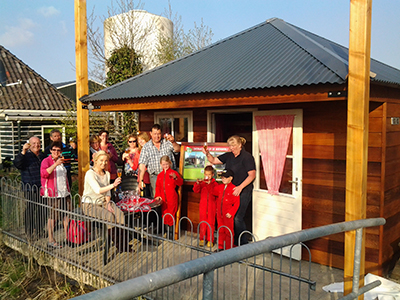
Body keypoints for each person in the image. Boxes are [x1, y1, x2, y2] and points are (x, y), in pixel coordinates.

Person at [203, 135, 256, 246]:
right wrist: (207, 153)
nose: (231, 148)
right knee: (229, 217)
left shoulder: (247, 157)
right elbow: (213, 160)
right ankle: (233, 242)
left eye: (234, 145)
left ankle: (244, 244)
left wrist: (240, 187)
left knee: (237, 218)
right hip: (231, 190)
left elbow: (252, 175)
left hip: (243, 190)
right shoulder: (229, 156)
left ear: (240, 145)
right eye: (230, 146)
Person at [81, 150, 133, 253]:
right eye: (101, 160)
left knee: (119, 214)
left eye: (105, 161)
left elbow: (108, 193)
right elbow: (98, 190)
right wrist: (113, 185)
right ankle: (119, 245)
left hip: (103, 202)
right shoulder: (90, 174)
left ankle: (124, 244)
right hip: (90, 203)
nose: (103, 163)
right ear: (95, 161)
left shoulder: (107, 174)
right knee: (109, 217)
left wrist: (108, 203)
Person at [13, 136, 47, 239]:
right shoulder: (26, 156)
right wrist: (23, 151)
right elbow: (17, 164)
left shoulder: (42, 156)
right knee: (31, 209)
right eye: (34, 143)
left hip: (42, 187)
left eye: (38, 143)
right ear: (29, 144)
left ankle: (40, 230)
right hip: (30, 187)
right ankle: (29, 231)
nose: (36, 145)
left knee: (42, 209)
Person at [40, 141, 71, 249]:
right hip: (53, 194)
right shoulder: (46, 161)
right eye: (54, 150)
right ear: (50, 151)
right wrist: (55, 164)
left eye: (58, 150)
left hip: (64, 192)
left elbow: (64, 177)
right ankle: (51, 239)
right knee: (53, 217)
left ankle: (68, 238)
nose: (56, 152)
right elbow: (44, 174)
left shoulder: (61, 161)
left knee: (66, 215)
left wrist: (68, 190)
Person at [138, 124, 180, 197]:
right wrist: (141, 180)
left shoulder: (167, 143)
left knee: (170, 197)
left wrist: (173, 142)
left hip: (169, 176)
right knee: (157, 199)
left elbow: (177, 149)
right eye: (154, 134)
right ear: (150, 134)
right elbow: (142, 164)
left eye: (158, 134)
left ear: (161, 134)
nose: (157, 136)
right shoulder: (146, 147)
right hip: (155, 177)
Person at [154, 155, 183, 239]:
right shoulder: (160, 175)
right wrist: (157, 195)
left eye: (167, 164)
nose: (165, 166)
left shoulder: (173, 173)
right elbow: (158, 187)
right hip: (163, 198)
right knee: (164, 214)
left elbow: (180, 183)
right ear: (160, 165)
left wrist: (176, 178)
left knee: (171, 213)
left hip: (172, 197)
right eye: (163, 164)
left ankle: (171, 233)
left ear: (170, 163)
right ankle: (166, 231)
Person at [213, 169, 240, 251]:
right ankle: (221, 247)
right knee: (221, 230)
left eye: (226, 177)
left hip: (227, 214)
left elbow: (236, 203)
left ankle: (229, 248)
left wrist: (231, 212)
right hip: (220, 214)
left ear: (231, 178)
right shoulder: (220, 187)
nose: (223, 179)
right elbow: (212, 191)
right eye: (222, 177)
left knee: (228, 231)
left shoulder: (233, 189)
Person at [193, 165, 218, 247]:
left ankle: (210, 240)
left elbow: (215, 192)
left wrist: (208, 184)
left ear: (213, 174)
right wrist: (197, 184)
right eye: (206, 174)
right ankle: (202, 238)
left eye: (209, 175)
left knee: (211, 223)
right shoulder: (202, 183)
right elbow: (196, 190)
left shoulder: (215, 184)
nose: (207, 176)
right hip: (203, 206)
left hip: (212, 206)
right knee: (203, 222)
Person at [136, 132, 151, 197]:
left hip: (149, 176)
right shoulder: (138, 151)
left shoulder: (150, 149)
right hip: (142, 177)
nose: (140, 141)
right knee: (143, 197)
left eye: (142, 139)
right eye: (139, 140)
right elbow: (135, 166)